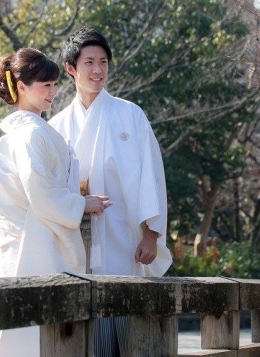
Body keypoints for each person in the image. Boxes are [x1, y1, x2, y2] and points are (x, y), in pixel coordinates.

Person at [0, 47, 112, 357]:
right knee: (45, 334)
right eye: (45, 84)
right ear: (21, 87)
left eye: (54, 84)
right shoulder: (32, 135)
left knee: (24, 333)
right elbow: (41, 194)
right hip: (41, 246)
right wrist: (82, 204)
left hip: (21, 246)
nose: (53, 91)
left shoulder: (16, 138)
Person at [49, 28, 171, 356]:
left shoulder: (130, 115)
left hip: (124, 236)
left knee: (125, 319)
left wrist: (151, 234)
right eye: (89, 62)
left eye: (103, 62)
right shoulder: (58, 125)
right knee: (81, 325)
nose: (97, 69)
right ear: (71, 68)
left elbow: (151, 176)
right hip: (76, 235)